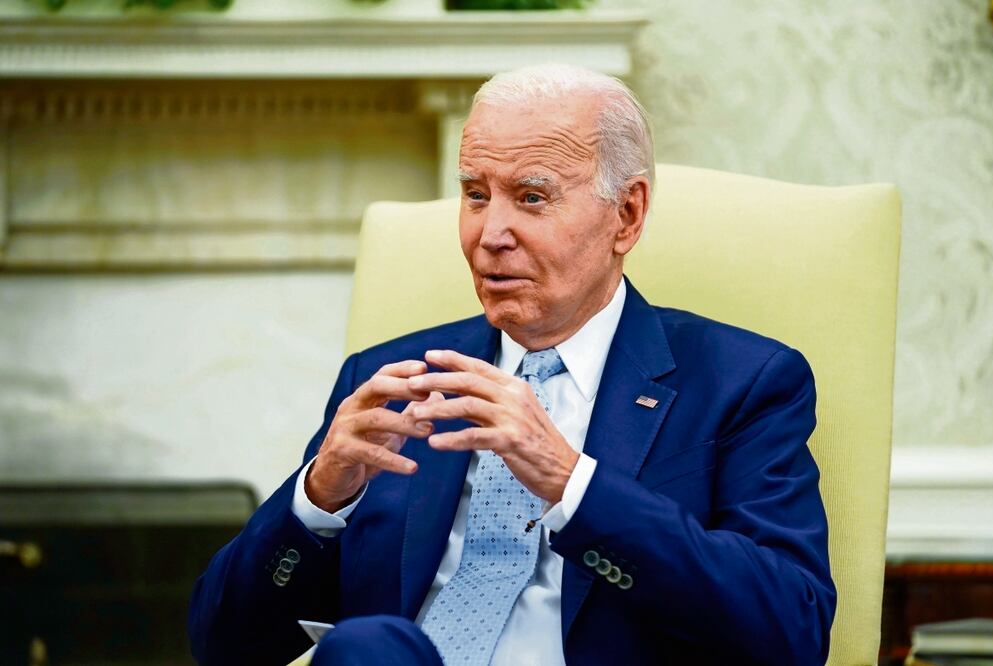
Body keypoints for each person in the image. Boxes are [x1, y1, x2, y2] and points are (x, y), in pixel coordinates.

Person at [188, 64, 836, 665]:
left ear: (627, 214)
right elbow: (223, 645)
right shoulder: (388, 380)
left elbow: (792, 630)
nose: (489, 233)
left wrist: (569, 482)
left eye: (530, 197)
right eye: (474, 194)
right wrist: (317, 496)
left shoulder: (741, 383)